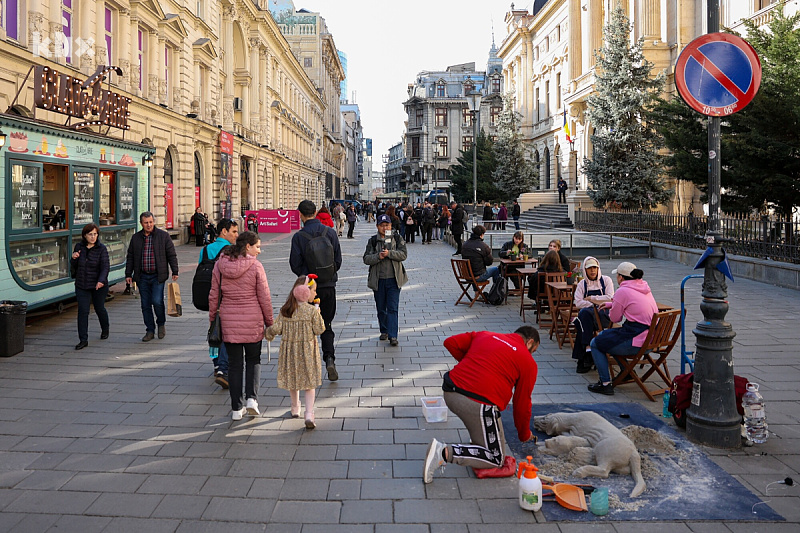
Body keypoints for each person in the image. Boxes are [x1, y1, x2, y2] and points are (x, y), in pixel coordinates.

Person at [423, 327, 540, 483]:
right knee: (496, 458)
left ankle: (476, 441)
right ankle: (443, 452)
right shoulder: (527, 361)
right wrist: (524, 434)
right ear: (530, 342)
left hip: (450, 392)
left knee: (487, 434)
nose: (531, 354)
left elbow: (450, 342)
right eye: (533, 350)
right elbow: (522, 404)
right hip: (478, 404)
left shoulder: (486, 334)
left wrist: (472, 364)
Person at [209, 231, 274, 420]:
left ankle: (236, 409)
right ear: (247, 247)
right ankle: (252, 399)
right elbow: (265, 297)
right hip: (252, 321)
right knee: (253, 360)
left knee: (235, 365)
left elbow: (214, 295)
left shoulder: (220, 265)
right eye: (257, 247)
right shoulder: (256, 266)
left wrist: (213, 319)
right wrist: (269, 322)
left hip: (229, 321)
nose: (259, 251)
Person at [290, 200, 343, 381]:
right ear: (315, 212)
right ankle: (329, 358)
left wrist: (307, 276)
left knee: (307, 328)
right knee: (326, 325)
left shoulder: (299, 237)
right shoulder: (330, 233)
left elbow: (294, 264)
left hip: (308, 289)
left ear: (301, 215)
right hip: (328, 287)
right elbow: (338, 261)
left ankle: (307, 367)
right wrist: (327, 274)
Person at [587, 262, 658, 396]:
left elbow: (615, 319)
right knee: (607, 336)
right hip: (652, 339)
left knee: (596, 343)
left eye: (617, 276)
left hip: (638, 341)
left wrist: (614, 307)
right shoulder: (644, 287)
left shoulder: (623, 291)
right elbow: (632, 303)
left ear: (621, 277)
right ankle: (626, 373)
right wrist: (611, 304)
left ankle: (605, 384)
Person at [265, 276, 326, 429]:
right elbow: (320, 329)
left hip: (290, 351)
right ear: (305, 291)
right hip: (307, 352)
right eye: (313, 290)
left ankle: (294, 407)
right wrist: (318, 312)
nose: (315, 294)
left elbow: (276, 328)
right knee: (309, 383)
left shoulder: (286, 310)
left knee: (294, 379)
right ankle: (309, 413)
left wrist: (268, 333)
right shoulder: (311, 311)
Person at [125, 211, 179, 342]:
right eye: (146, 223)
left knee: (157, 301)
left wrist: (175, 271)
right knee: (145, 304)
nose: (149, 225)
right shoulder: (136, 238)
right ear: (141, 224)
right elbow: (130, 256)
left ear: (153, 222)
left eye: (150, 222)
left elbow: (171, 254)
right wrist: (128, 274)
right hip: (142, 276)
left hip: (158, 276)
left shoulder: (163, 236)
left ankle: (161, 323)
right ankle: (150, 330)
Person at [198, 218, 239, 388]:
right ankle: (222, 367)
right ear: (224, 231)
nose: (237, 235)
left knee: (214, 326)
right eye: (234, 232)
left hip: (209, 294)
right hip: (226, 296)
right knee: (226, 330)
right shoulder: (231, 250)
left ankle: (216, 363)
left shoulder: (206, 249)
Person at [363, 214, 408, 347]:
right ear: (377, 226)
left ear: (390, 226)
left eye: (387, 225)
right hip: (379, 280)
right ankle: (384, 330)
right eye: (382, 225)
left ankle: (393, 335)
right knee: (381, 308)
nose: (385, 228)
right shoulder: (372, 241)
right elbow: (366, 259)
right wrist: (378, 256)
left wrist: (390, 254)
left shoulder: (397, 238)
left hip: (394, 279)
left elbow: (403, 255)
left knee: (393, 308)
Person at [572, 256, 615, 374]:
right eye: (589, 268)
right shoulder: (582, 284)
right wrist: (597, 303)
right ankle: (587, 352)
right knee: (584, 315)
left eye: (595, 268)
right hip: (590, 317)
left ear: (598, 268)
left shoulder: (606, 280)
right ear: (585, 270)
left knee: (581, 319)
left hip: (604, 317)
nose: (592, 271)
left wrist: (591, 298)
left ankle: (585, 356)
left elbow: (611, 298)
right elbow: (578, 302)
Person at [71, 223, 110, 350]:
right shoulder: (79, 247)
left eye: (95, 234)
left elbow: (105, 266)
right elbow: (74, 265)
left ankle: (105, 328)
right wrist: (74, 258)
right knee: (83, 311)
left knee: (99, 308)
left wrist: (101, 281)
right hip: (82, 284)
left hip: (98, 285)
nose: (93, 237)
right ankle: (83, 339)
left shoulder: (101, 248)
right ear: (85, 235)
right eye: (90, 234)